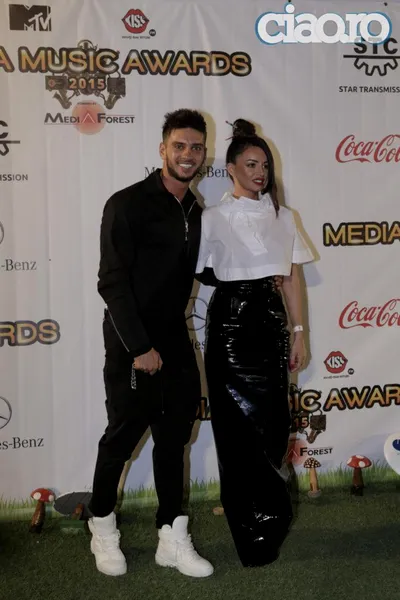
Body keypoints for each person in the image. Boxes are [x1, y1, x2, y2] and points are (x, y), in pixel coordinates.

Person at [87, 108, 214, 578]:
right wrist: (139, 347)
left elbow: (206, 271)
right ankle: (102, 526)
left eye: (195, 147)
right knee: (121, 438)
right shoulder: (127, 204)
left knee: (173, 441)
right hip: (131, 342)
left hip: (176, 340)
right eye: (179, 145)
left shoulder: (197, 210)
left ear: (204, 153)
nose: (187, 154)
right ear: (163, 149)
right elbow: (112, 282)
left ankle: (171, 536)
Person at [196, 119, 314, 567]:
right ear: (230, 169)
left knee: (274, 427)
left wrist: (299, 333)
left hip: (271, 325)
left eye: (264, 165)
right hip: (228, 329)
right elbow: (202, 271)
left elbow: (292, 279)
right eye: (250, 164)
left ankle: (273, 518)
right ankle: (247, 534)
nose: (260, 172)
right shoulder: (212, 217)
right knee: (234, 434)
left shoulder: (284, 216)